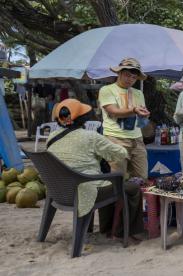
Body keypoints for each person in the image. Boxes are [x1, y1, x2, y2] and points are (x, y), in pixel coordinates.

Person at [47, 99, 144, 239]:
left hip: (59, 191)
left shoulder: (51, 137)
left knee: (105, 182)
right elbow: (121, 153)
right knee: (131, 188)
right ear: (84, 118)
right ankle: (121, 232)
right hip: (84, 190)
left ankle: (105, 228)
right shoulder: (91, 137)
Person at [98, 57, 150, 180]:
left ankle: (135, 200)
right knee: (118, 178)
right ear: (119, 73)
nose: (130, 79)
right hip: (115, 138)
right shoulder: (107, 90)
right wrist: (133, 110)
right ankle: (119, 199)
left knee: (142, 177)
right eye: (127, 75)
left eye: (134, 77)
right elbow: (113, 112)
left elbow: (141, 117)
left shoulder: (138, 93)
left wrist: (144, 115)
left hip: (137, 139)